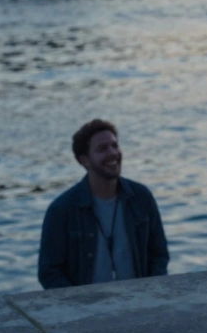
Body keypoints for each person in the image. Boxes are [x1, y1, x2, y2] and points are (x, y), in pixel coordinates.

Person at [38, 118, 169, 288]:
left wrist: (151, 292)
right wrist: (78, 305)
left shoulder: (141, 198)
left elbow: (159, 255)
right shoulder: (61, 210)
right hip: (87, 309)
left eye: (115, 145)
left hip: (140, 304)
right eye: (102, 149)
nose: (113, 153)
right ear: (85, 160)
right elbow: (49, 272)